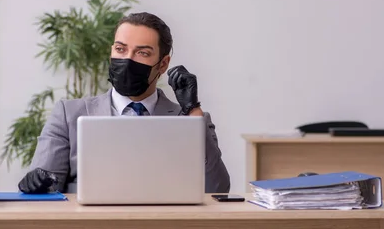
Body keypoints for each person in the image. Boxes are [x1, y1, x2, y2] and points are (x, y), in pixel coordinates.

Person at [18, 12, 231, 194]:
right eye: (120, 49)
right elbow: (45, 188)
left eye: (142, 53)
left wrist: (192, 111)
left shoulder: (188, 119)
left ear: (163, 64)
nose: (128, 59)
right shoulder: (68, 114)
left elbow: (217, 188)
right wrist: (38, 183)